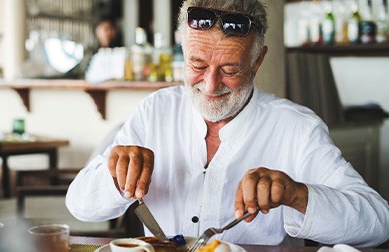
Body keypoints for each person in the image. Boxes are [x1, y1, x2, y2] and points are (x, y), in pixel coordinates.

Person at [66, 0, 389, 247]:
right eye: (197, 63)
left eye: (230, 70)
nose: (210, 84)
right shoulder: (156, 110)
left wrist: (296, 195)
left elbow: (378, 222)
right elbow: (80, 205)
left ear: (258, 60)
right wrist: (115, 175)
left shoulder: (296, 128)